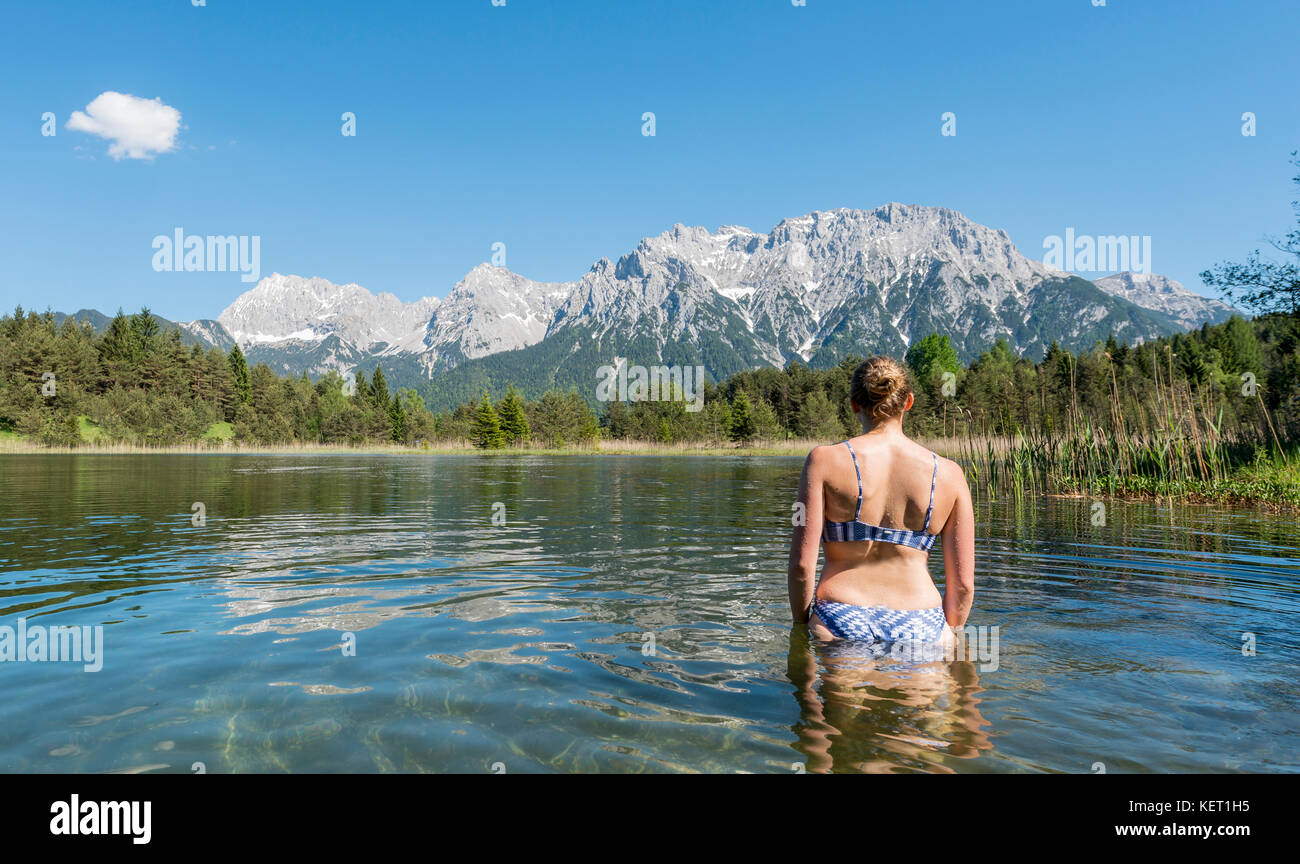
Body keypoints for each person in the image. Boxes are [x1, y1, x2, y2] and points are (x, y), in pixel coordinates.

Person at [787, 355, 974, 648]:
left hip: (841, 615)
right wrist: (948, 634)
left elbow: (801, 566)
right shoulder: (949, 474)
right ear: (908, 402)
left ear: (853, 405)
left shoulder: (823, 461)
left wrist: (801, 625)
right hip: (921, 621)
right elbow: (963, 585)